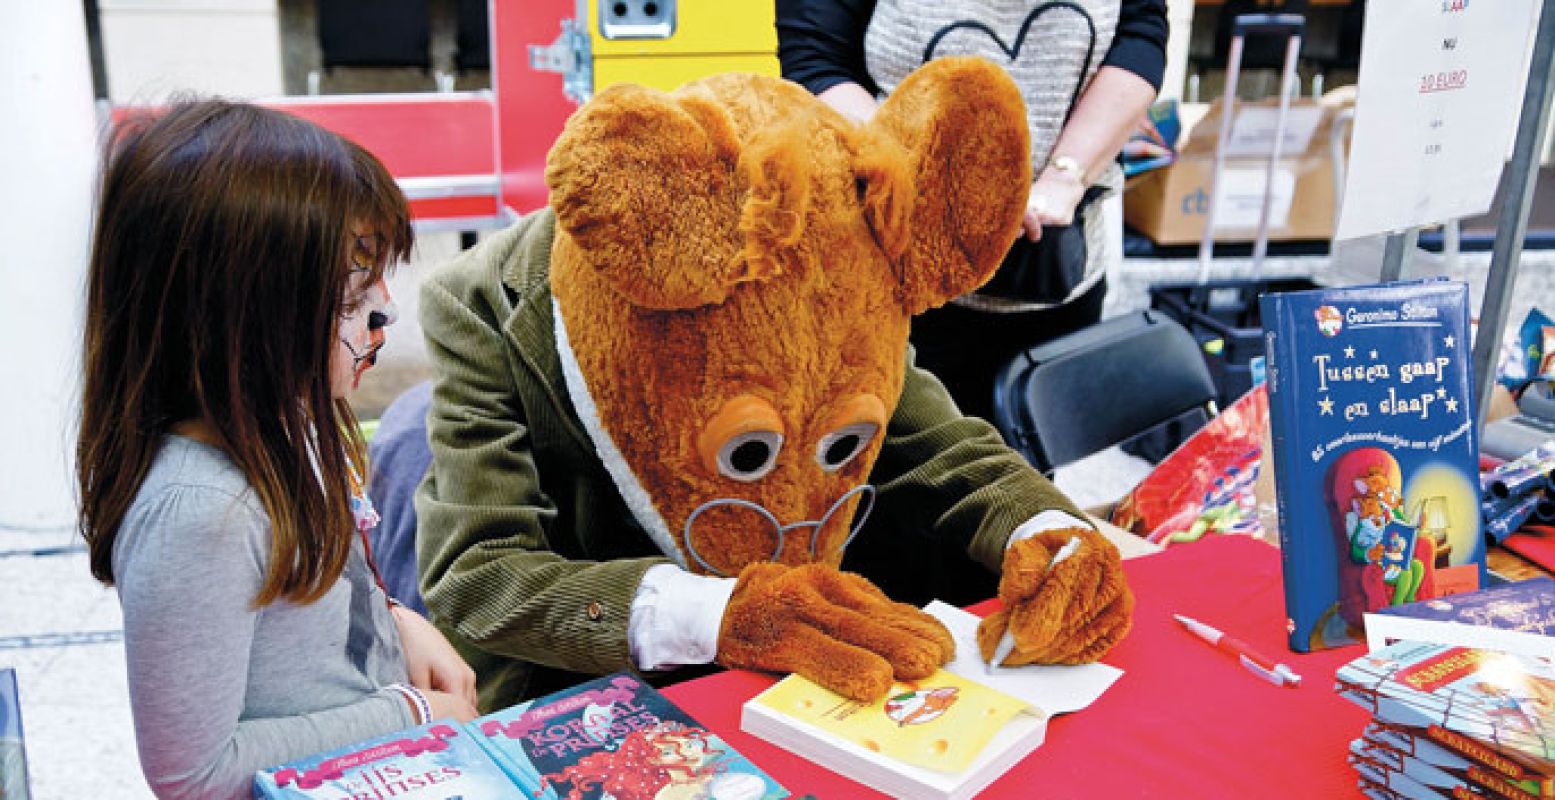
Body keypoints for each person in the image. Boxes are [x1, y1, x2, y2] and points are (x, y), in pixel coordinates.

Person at [414, 62, 1131, 711]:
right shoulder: (482, 304)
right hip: (589, 675)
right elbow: (476, 572)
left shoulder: (846, 255)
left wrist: (1045, 530)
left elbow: (939, 445)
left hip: (805, 668)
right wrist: (715, 616)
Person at [75, 100, 478, 800]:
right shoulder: (200, 515)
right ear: (237, 320)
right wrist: (405, 715)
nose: (385, 313)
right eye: (352, 302)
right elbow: (191, 773)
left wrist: (402, 625)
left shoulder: (291, 417)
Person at [776, 0, 1168, 421]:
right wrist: (934, 181)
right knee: (899, 460)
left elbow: (1140, 34)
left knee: (1027, 464)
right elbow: (816, 58)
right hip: (897, 272)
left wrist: (1066, 175)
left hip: (1053, 271)